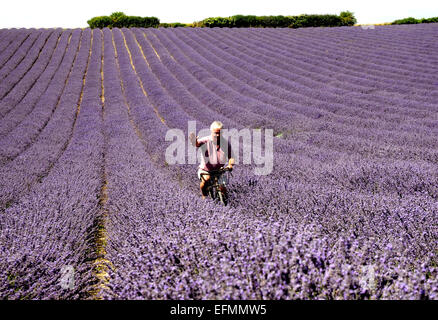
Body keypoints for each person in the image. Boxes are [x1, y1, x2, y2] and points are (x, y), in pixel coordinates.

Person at [189, 121, 235, 199]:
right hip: (206, 170)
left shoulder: (225, 143)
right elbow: (196, 144)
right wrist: (194, 141)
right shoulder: (206, 140)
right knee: (206, 180)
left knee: (223, 188)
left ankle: (224, 202)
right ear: (211, 132)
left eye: (219, 133)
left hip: (219, 170)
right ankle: (204, 195)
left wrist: (230, 165)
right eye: (215, 133)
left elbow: (231, 157)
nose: (217, 135)